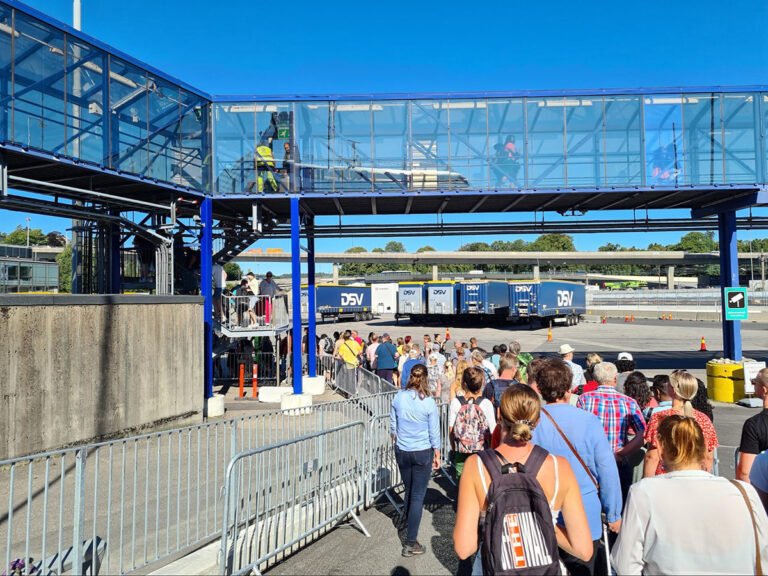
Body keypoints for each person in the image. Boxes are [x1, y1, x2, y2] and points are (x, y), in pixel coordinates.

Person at [453, 384, 593, 572]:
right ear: (537, 420)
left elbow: (464, 548)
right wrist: (542, 521)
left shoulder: (475, 466)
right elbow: (583, 550)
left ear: (500, 415)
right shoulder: (560, 467)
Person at [612, 415, 768, 575]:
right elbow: (763, 554)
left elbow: (626, 566)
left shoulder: (644, 492)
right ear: (704, 447)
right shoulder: (744, 493)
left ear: (660, 448)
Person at [532, 358, 622, 576]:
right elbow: (606, 468)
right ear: (569, 387)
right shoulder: (589, 421)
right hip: (584, 509)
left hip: (542, 511)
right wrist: (614, 513)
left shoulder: (533, 423)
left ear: (541, 388)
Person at [390, 364, 441, 557]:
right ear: (425, 379)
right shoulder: (428, 402)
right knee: (418, 496)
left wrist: (395, 437)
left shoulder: (399, 397)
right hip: (421, 450)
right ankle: (411, 541)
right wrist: (437, 452)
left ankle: (407, 522)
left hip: (403, 449)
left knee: (409, 490)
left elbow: (393, 424)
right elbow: (434, 430)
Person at [577, 361, 646, 502]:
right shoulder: (629, 402)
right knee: (619, 504)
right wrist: (622, 452)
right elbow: (642, 434)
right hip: (619, 461)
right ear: (615, 379)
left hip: (591, 462)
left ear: (595, 380)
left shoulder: (584, 399)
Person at [643, 370, 718, 477]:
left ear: (673, 390)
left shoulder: (660, 418)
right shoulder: (704, 419)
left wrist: (646, 482)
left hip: (665, 478)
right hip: (696, 478)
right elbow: (708, 456)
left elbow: (652, 457)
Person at [449, 367, 496, 480]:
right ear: (481, 384)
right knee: (480, 479)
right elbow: (493, 429)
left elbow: (451, 429)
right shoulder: (486, 403)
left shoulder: (456, 402)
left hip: (461, 449)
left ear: (463, 384)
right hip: (481, 449)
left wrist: (454, 448)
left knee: (462, 480)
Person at [738, 368, 768, 482]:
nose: (753, 385)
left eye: (755, 383)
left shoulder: (754, 425)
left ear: (764, 390)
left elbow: (745, 472)